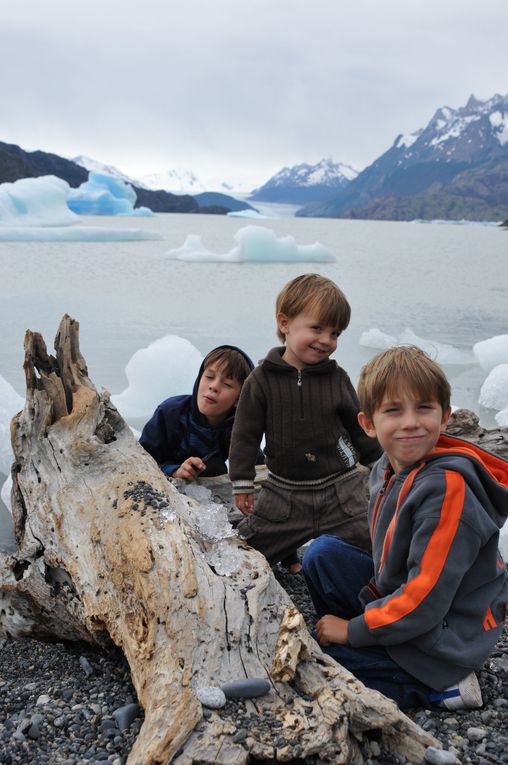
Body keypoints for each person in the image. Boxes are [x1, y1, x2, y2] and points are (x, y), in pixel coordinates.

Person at [302, 345, 508, 710]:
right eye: (394, 411)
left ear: (445, 417)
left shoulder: (447, 491)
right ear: (368, 424)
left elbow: (425, 599)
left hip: (448, 634)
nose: (410, 422)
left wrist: (353, 630)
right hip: (413, 601)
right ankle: (379, 643)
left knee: (317, 661)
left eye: (423, 408)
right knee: (320, 554)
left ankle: (439, 687)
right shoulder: (387, 468)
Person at [228, 273, 382, 574]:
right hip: (284, 496)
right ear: (284, 323)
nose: (326, 340)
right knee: (243, 559)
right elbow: (244, 435)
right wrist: (242, 482)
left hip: (342, 492)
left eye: (335, 333)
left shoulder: (337, 379)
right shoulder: (260, 381)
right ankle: (286, 552)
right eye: (317, 328)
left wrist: (384, 465)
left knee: (382, 546)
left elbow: (359, 427)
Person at [140, 345, 258, 480]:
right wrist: (176, 471)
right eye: (209, 376)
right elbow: (141, 460)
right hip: (162, 479)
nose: (213, 386)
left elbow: (257, 465)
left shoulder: (238, 427)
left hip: (205, 487)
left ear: (239, 399)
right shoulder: (170, 413)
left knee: (216, 467)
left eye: (227, 384)